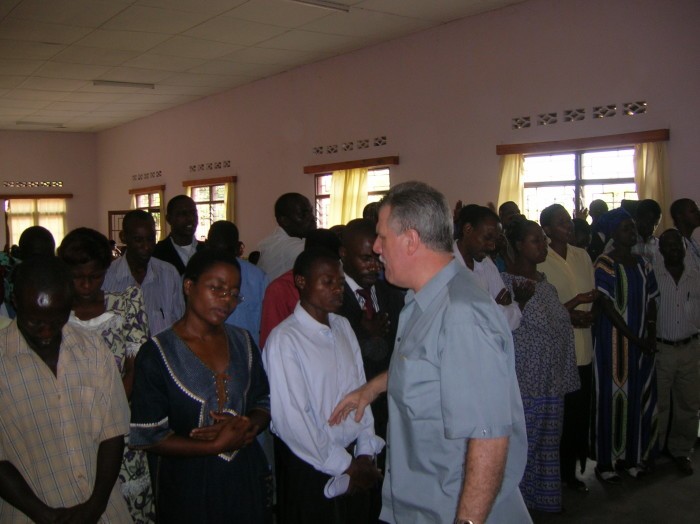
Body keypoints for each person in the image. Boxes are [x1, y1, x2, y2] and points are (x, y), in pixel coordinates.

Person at [331, 182, 530, 524]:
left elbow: (489, 438)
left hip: (452, 508)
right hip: (420, 503)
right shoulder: (422, 300)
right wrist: (372, 388)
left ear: (410, 240)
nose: (376, 248)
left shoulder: (461, 314)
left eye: (382, 237)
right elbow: (428, 364)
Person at [130, 250, 272, 523]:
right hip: (187, 484)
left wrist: (246, 426)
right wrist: (215, 445)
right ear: (189, 286)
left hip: (242, 477)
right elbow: (148, 435)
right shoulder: (157, 353)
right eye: (216, 288)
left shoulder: (243, 342)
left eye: (234, 293)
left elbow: (263, 400)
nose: (226, 300)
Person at [0, 257, 131, 522]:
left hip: (105, 512)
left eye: (56, 319)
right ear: (15, 303)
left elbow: (113, 432)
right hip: (29, 514)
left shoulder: (93, 349)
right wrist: (45, 515)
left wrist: (95, 505)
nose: (46, 332)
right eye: (35, 322)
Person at [264, 248, 384, 524]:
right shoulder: (285, 340)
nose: (337, 289)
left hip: (354, 457)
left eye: (340, 282)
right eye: (327, 282)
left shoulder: (342, 326)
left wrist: (365, 451)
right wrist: (345, 465)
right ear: (301, 282)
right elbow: (292, 420)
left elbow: (361, 390)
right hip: (312, 462)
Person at [57, 227, 155, 522]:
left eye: (95, 276)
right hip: (72, 423)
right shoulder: (57, 314)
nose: (87, 285)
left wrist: (110, 411)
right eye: (78, 277)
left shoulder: (126, 303)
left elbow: (135, 365)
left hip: (119, 421)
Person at [501, 217, 580, 512]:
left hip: (552, 380)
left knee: (549, 443)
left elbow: (554, 324)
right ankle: (516, 508)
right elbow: (501, 328)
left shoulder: (545, 284)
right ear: (518, 245)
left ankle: (543, 502)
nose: (544, 246)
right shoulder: (505, 285)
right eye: (536, 241)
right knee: (525, 445)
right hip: (526, 382)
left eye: (543, 240)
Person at [590, 207, 659, 482]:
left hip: (641, 344)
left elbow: (652, 299)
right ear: (614, 234)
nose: (633, 232)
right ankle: (605, 462)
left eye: (633, 228)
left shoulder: (643, 263)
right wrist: (635, 337)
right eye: (626, 228)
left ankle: (631, 457)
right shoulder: (604, 263)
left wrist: (650, 332)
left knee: (635, 400)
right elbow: (606, 306)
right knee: (610, 399)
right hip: (613, 344)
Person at [337, 218, 404, 496]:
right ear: (344, 254)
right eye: (365, 259)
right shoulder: (333, 297)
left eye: (377, 257)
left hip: (389, 407)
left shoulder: (392, 291)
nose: (374, 266)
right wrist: (365, 336)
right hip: (351, 409)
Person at [537, 205, 597, 493]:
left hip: (582, 346)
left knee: (578, 413)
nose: (569, 226)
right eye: (560, 222)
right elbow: (540, 307)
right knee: (558, 415)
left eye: (568, 221)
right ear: (547, 229)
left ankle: (571, 470)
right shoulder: (540, 258)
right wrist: (570, 316)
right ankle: (553, 473)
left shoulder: (581, 255)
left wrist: (588, 315)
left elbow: (592, 295)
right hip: (556, 349)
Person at [652, 229, 700, 475]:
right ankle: (654, 452)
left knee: (688, 405)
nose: (672, 249)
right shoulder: (654, 275)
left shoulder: (695, 275)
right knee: (659, 405)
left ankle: (681, 451)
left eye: (676, 245)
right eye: (667, 245)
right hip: (662, 350)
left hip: (690, 348)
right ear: (660, 250)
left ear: (683, 248)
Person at [103, 210, 184, 335]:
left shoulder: (169, 274)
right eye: (138, 240)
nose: (146, 246)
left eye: (151, 239)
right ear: (123, 237)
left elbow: (180, 324)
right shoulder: (107, 277)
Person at [259, 229, 341, 348]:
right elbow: (269, 340)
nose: (336, 288)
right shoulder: (279, 289)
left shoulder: (339, 286)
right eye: (327, 280)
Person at [454, 204, 525, 331]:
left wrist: (492, 311)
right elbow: (461, 321)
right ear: (468, 229)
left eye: (495, 240)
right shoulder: (443, 265)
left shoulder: (486, 263)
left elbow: (510, 322)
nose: (492, 246)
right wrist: (495, 309)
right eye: (487, 238)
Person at [207, 220, 269, 347]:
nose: (222, 259)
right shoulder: (196, 276)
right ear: (207, 245)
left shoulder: (257, 278)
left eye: (227, 252)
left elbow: (266, 323)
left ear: (238, 248)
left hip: (247, 351)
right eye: (215, 252)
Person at [257, 193, 316, 280]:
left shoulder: (288, 238)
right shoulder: (285, 246)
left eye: (311, 212)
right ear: (284, 221)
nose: (312, 218)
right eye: (303, 214)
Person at [153, 195, 205, 275]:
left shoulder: (207, 251)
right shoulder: (157, 254)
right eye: (183, 214)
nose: (191, 218)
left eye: (193, 213)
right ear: (169, 219)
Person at [670, 198, 700, 274]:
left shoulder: (691, 241)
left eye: (698, 210)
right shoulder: (674, 242)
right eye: (693, 211)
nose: (698, 213)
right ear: (679, 216)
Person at [632, 199, 662, 264]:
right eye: (648, 222)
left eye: (655, 224)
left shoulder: (659, 245)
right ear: (637, 219)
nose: (652, 228)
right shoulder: (625, 243)